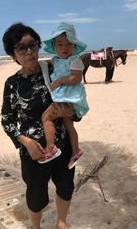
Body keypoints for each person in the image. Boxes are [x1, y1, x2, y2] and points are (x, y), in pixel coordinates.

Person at [1, 22, 79, 229]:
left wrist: (71, 113)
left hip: (62, 145)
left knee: (65, 187)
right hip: (34, 153)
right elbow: (7, 120)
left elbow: (75, 99)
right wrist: (26, 142)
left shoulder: (54, 69)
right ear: (13, 54)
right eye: (21, 48)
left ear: (38, 46)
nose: (29, 52)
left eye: (32, 45)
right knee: (35, 195)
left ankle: (61, 223)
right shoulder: (12, 83)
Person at [39, 22, 89, 169]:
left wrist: (60, 80)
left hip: (68, 96)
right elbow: (49, 63)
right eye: (60, 44)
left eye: (68, 44)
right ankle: (76, 151)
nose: (64, 48)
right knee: (68, 125)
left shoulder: (75, 60)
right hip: (63, 96)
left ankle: (50, 147)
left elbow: (77, 78)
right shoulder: (56, 60)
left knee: (46, 117)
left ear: (74, 45)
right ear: (54, 47)